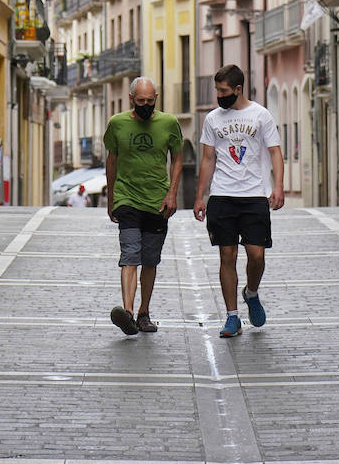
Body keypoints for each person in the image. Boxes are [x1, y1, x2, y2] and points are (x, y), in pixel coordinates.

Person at [194, 64, 283, 338]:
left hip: (254, 194)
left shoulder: (261, 115)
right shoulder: (212, 119)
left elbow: (275, 152)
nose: (219, 95)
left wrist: (278, 186)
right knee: (227, 255)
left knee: (256, 255)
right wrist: (201, 196)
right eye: (217, 90)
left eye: (223, 91)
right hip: (222, 196)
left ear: (238, 89)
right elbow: (208, 159)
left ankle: (251, 293)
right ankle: (232, 317)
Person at [103, 77, 183, 336]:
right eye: (141, 101)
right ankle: (127, 313)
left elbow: (177, 158)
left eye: (150, 101)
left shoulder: (169, 123)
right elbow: (112, 160)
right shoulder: (117, 124)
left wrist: (172, 193)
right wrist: (112, 197)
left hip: (157, 201)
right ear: (131, 99)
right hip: (127, 197)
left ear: (156, 98)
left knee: (150, 260)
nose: (146, 105)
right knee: (130, 253)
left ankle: (143, 313)